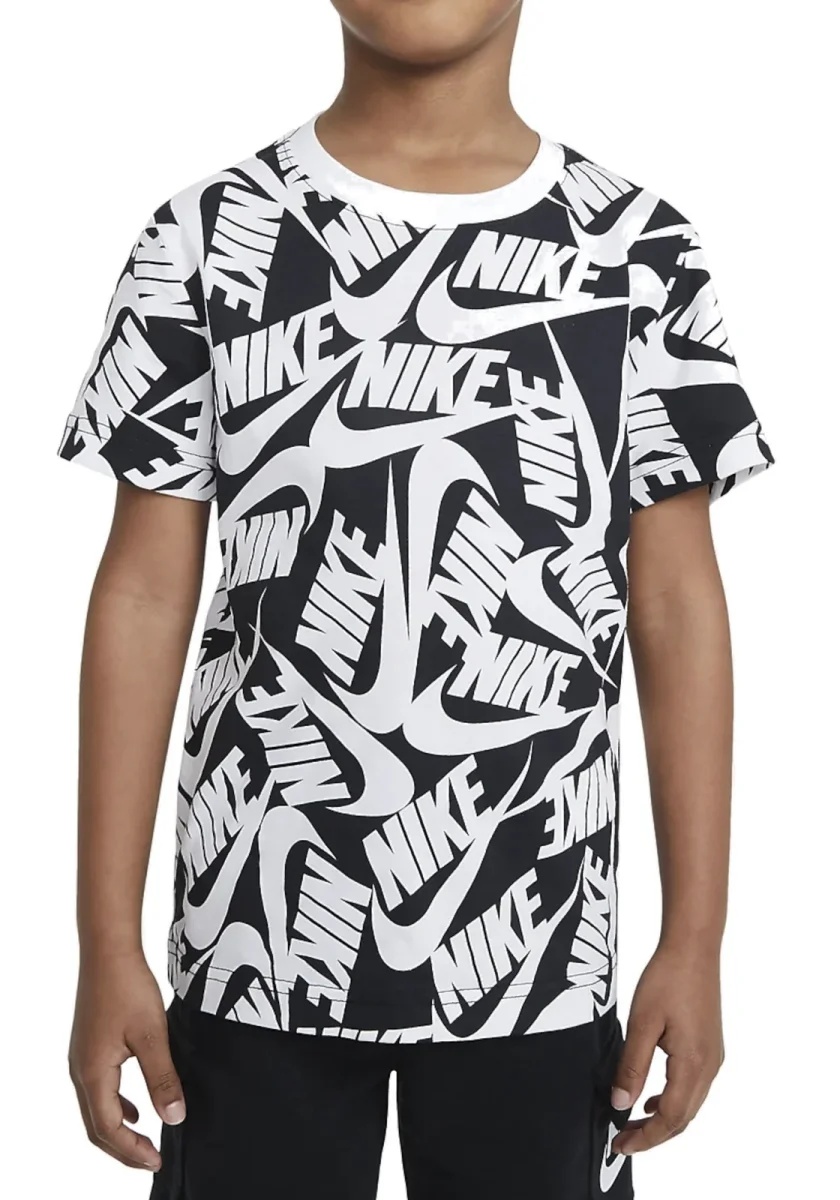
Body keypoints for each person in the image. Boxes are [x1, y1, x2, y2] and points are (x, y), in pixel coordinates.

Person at [60, 1, 774, 1197]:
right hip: (254, 938)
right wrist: (103, 942)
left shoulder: (639, 251)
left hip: (539, 950)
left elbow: (676, 605)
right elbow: (140, 595)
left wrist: (695, 939)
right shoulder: (206, 237)